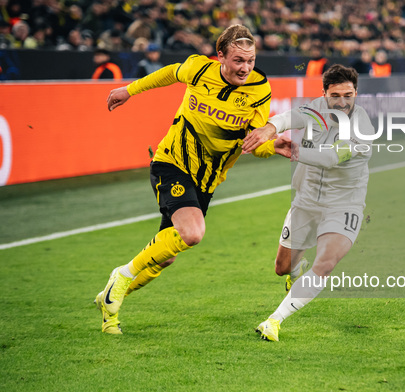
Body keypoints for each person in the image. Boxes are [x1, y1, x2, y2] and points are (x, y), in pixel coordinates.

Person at [94, 24, 291, 335]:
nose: (245, 68)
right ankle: (121, 276)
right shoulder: (199, 69)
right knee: (193, 232)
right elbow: (168, 73)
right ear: (221, 56)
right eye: (239, 60)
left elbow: (253, 143)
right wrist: (128, 90)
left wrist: (275, 146)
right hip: (172, 161)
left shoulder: (259, 90)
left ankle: (110, 301)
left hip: (207, 180)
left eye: (250, 60)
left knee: (165, 257)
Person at [250, 64, 375, 342]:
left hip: (343, 205)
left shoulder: (362, 127)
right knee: (282, 267)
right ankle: (295, 273)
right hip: (306, 202)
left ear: (357, 92)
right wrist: (270, 128)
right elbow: (291, 116)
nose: (342, 102)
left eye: (348, 95)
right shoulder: (316, 108)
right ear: (324, 94)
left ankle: (274, 321)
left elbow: (331, 158)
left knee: (326, 262)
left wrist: (295, 150)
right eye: (335, 96)